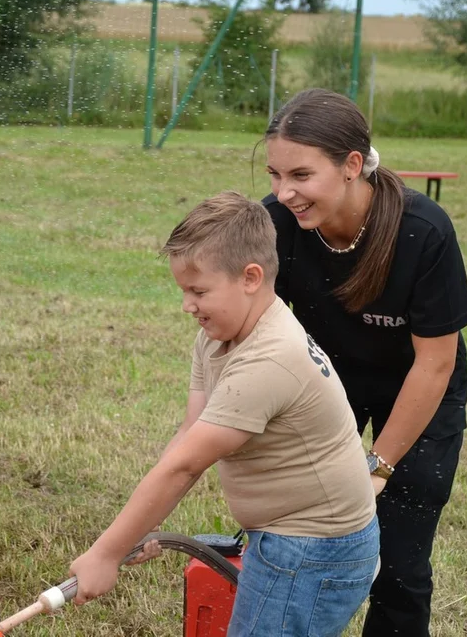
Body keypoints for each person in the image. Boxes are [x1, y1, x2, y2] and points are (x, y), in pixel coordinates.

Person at [70, 191, 379, 636]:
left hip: (315, 549)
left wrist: (105, 555)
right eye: (183, 291)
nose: (187, 306)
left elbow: (186, 466)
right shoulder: (220, 336)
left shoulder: (269, 359)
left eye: (198, 291)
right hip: (287, 538)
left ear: (250, 277)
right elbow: (190, 435)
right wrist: (144, 526)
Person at [262, 88, 467, 637]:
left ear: (353, 165)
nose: (285, 192)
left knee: (400, 561)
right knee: (295, 534)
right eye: (274, 174)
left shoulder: (423, 231)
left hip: (421, 388)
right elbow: (252, 326)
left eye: (301, 176)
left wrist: (377, 466)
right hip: (328, 380)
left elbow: (435, 364)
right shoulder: (276, 223)